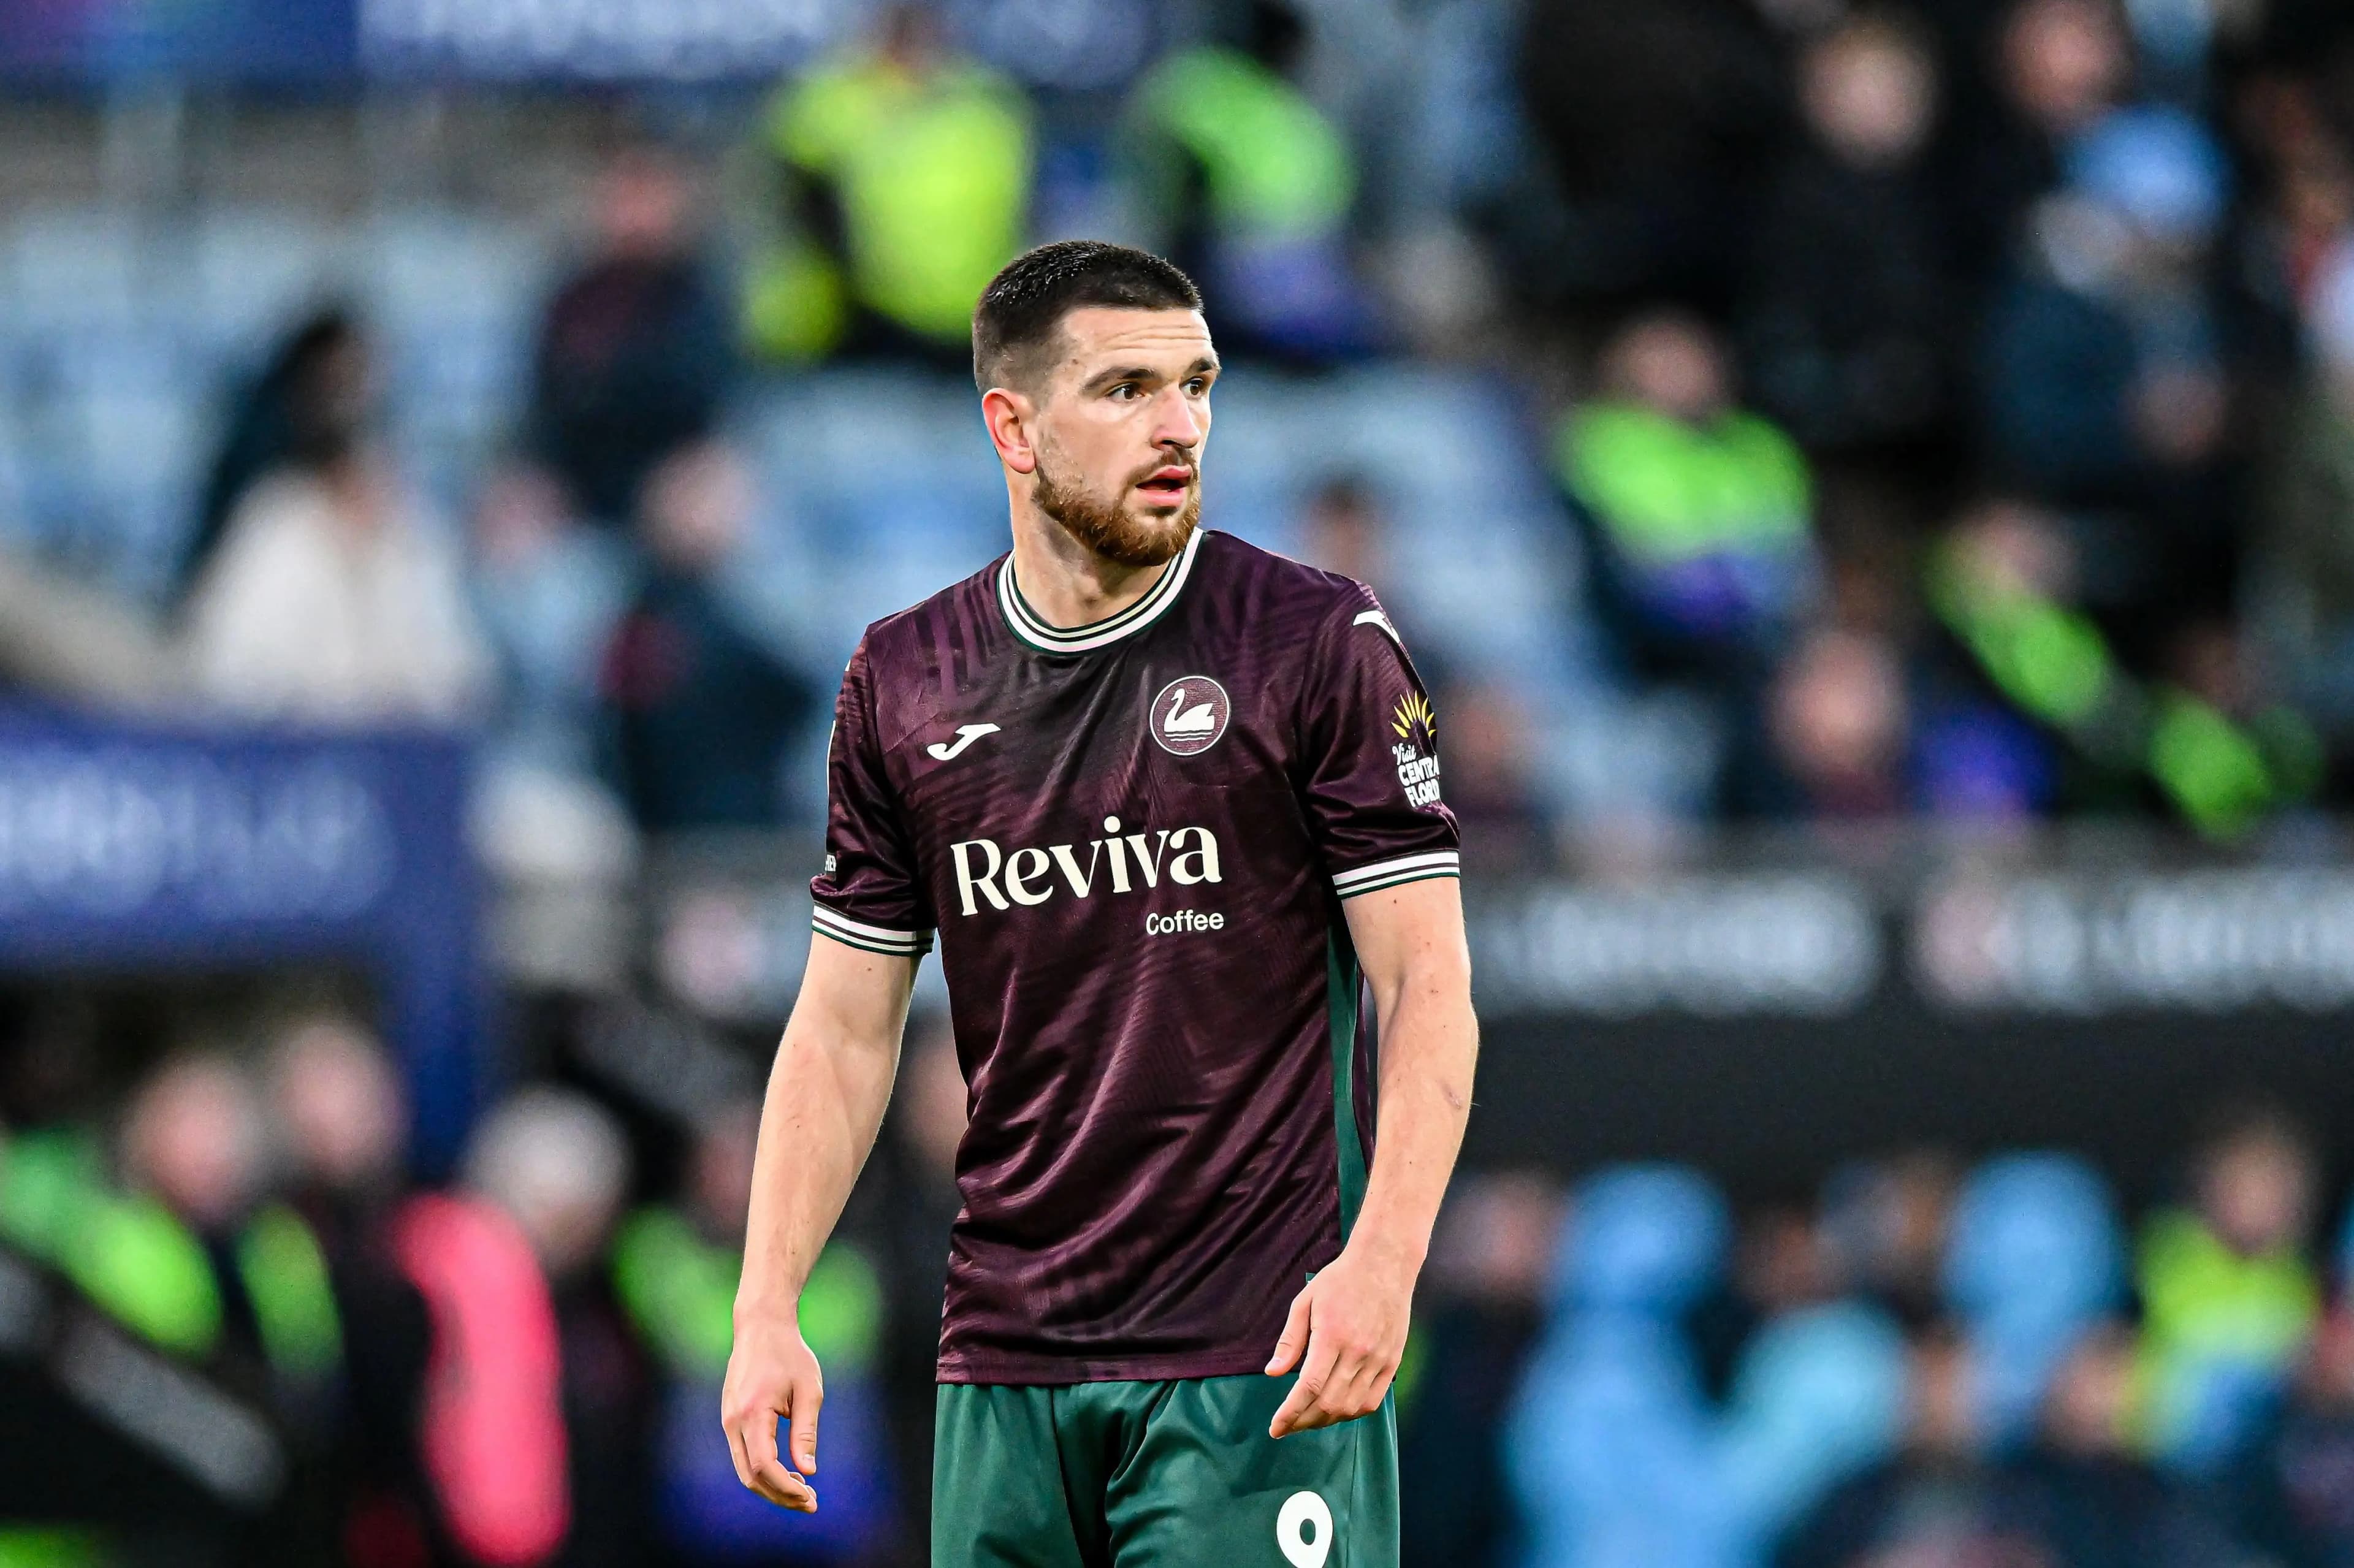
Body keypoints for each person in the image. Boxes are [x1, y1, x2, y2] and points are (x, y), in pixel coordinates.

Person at [721, 241, 1479, 1567]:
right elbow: (844, 1030)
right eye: (1125, 388)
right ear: (1011, 426)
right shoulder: (903, 681)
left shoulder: (1315, 644)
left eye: (1197, 383)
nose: (1179, 422)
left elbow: (1428, 987)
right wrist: (766, 1305)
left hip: (1259, 1355)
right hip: (1003, 1370)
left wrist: (1386, 1260)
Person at [178, 310, 492, 725]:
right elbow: (224, 670)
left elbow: (458, 672)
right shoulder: (277, 521)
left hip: (402, 754)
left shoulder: (412, 525)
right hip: (301, 756)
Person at [525, 145, 736, 527]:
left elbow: (693, 398)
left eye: (645, 197)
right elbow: (549, 408)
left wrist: (602, 384)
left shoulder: (699, 295)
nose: (631, 214)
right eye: (621, 196)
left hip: (671, 486)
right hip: (579, 483)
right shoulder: (574, 297)